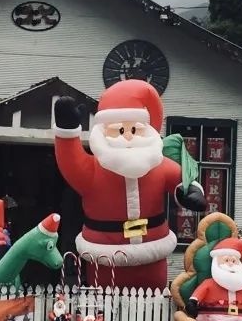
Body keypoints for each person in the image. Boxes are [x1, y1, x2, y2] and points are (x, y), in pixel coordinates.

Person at [53, 79, 207, 290]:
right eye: (118, 130)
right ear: (104, 131)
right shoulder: (92, 170)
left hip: (153, 252)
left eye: (134, 129)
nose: (127, 136)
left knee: (152, 306)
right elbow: (71, 162)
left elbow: (180, 179)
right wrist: (67, 131)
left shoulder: (158, 165)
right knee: (104, 305)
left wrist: (190, 192)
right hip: (106, 255)